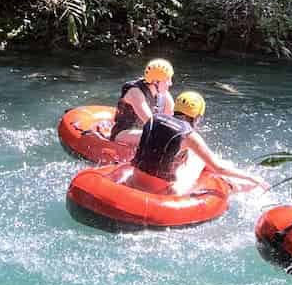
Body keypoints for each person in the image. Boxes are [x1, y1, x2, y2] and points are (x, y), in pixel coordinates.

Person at [132, 92, 265, 195]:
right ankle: (236, 186)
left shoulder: (153, 119)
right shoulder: (189, 135)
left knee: (191, 156)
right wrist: (252, 177)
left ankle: (234, 184)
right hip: (162, 191)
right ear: (197, 117)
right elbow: (219, 168)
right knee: (200, 160)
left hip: (134, 180)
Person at [110, 58, 175, 151]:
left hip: (141, 131)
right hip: (122, 133)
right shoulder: (135, 93)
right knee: (158, 138)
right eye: (167, 79)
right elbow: (150, 123)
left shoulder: (164, 94)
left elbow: (170, 120)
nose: (170, 83)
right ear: (156, 82)